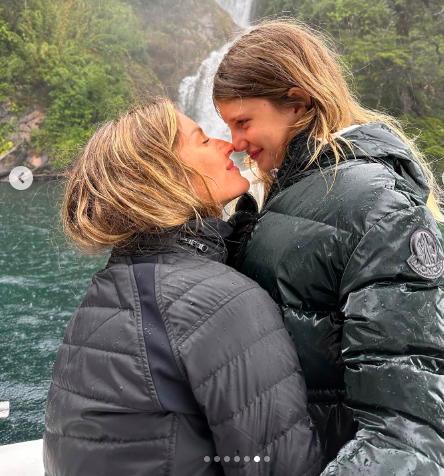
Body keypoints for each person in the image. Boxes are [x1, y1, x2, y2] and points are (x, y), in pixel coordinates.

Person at [213, 19, 444, 476]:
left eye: (243, 122)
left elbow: (410, 432)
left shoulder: (380, 208)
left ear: (297, 103)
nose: (235, 144)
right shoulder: (284, 195)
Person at [42, 98, 322, 476]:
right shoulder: (221, 300)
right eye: (204, 140)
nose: (230, 145)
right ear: (165, 175)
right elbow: (282, 468)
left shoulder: (108, 289)